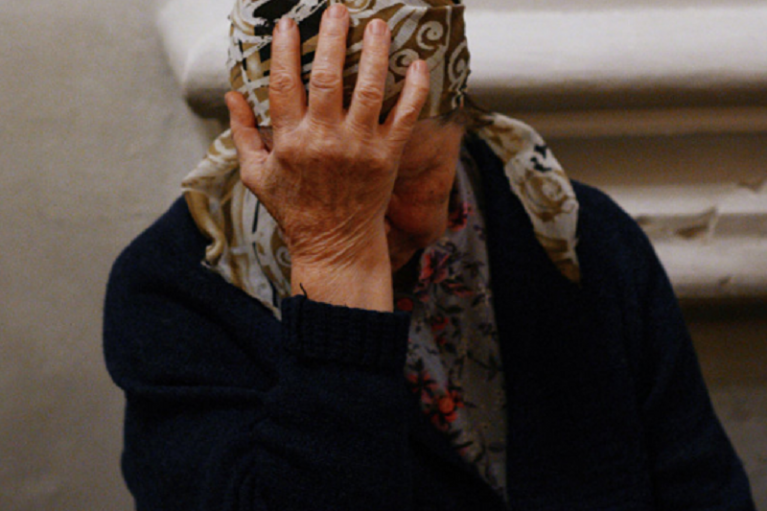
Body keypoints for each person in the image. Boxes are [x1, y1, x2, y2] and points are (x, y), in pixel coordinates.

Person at [103, 0, 755, 509]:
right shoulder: (175, 287)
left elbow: (702, 490)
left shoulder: (575, 239)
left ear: (462, 120)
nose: (366, 222)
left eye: (405, 179)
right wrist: (336, 272)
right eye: (316, 182)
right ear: (259, 145)